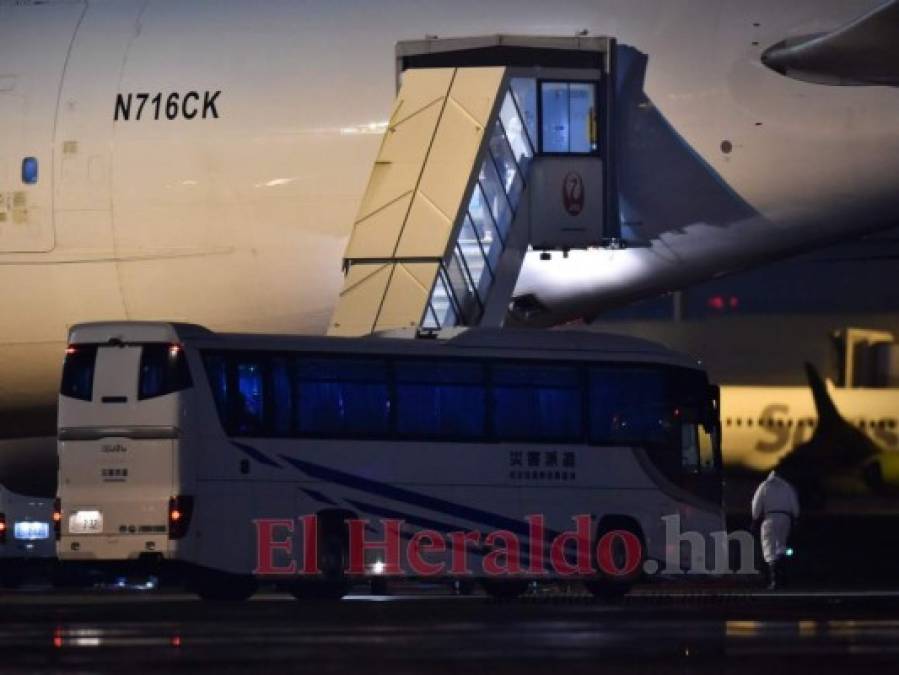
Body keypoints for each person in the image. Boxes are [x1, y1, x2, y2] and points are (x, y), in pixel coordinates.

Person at [751, 470, 800, 590]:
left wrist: (755, 517)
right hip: (785, 518)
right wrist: (795, 516)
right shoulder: (787, 486)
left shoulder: (764, 486)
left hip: (770, 518)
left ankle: (774, 580)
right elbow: (795, 505)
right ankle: (783, 578)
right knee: (781, 546)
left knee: (769, 548)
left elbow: (756, 505)